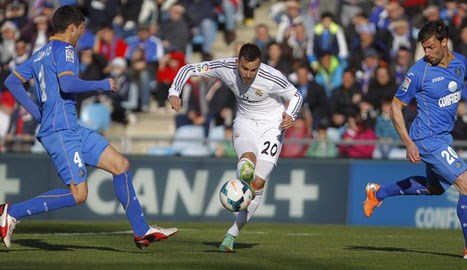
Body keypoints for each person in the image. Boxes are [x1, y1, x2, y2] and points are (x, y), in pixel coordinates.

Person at [0, 6, 177, 250]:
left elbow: (12, 81)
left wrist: (38, 112)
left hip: (72, 127)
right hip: (60, 132)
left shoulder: (40, 53)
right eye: (81, 29)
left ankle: (141, 231)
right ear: (72, 28)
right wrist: (102, 84)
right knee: (78, 194)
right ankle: (11, 212)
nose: (82, 34)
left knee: (120, 165)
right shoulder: (66, 50)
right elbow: (67, 82)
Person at [168, 43, 303, 252]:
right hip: (245, 122)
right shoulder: (225, 67)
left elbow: (295, 95)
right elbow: (189, 69)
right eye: (245, 68)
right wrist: (174, 91)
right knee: (248, 160)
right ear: (237, 62)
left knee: (258, 184)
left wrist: (291, 115)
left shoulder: (272, 76)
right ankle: (242, 177)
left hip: (272, 126)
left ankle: (232, 233)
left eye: (253, 70)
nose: (248, 75)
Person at [363, 20, 467, 260]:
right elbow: (395, 108)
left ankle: (378, 193)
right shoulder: (419, 71)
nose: (427, 53)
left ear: (444, 42)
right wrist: (408, 142)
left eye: (430, 47)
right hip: (426, 138)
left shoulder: (459, 62)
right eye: (424, 48)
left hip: (443, 137)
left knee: (435, 189)